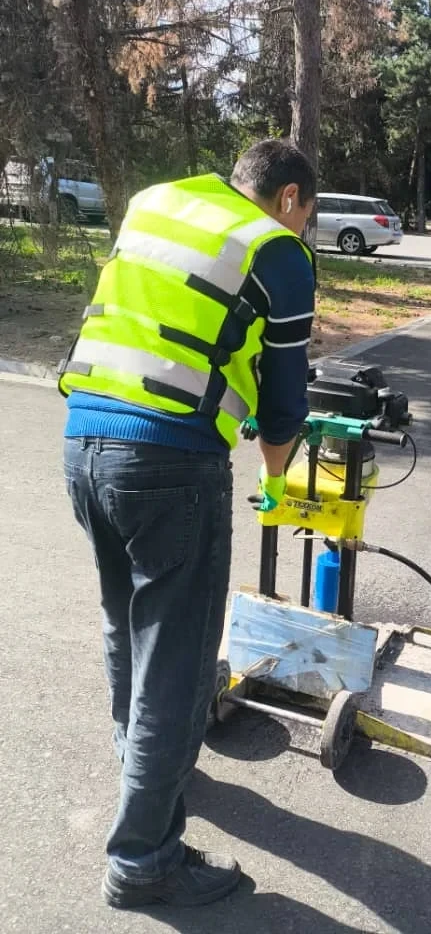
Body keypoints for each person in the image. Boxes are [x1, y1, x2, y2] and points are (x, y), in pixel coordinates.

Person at [59, 139, 316, 909]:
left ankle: (144, 764)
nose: (303, 228)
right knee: (178, 663)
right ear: (291, 198)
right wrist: (278, 482)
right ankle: (143, 861)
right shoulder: (277, 250)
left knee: (128, 628)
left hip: (83, 443)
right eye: (305, 215)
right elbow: (283, 400)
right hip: (171, 464)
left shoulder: (157, 202)